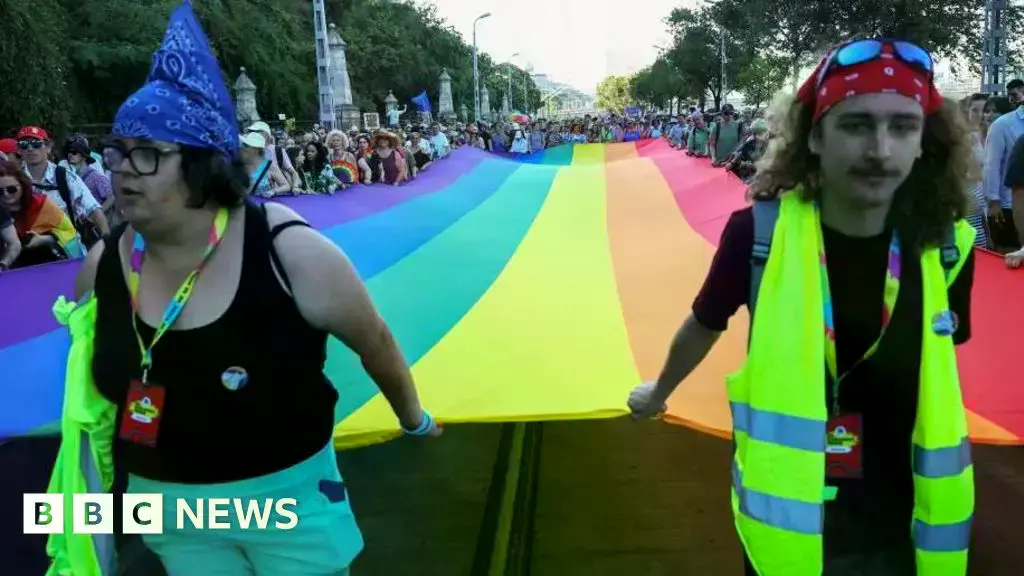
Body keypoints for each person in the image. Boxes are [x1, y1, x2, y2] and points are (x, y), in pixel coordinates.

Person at [49, 3, 439, 575]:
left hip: (289, 504)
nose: (121, 170)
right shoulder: (102, 268)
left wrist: (414, 419)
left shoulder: (290, 252)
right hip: (169, 509)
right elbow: (92, 399)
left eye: (147, 155)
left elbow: (373, 341)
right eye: (116, 153)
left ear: (206, 166)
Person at [629, 38, 975, 575]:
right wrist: (659, 391)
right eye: (857, 125)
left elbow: (941, 369)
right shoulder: (758, 236)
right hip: (790, 528)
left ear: (924, 142)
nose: (881, 150)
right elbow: (704, 323)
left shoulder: (947, 247)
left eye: (903, 127)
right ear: (815, 135)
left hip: (905, 531)